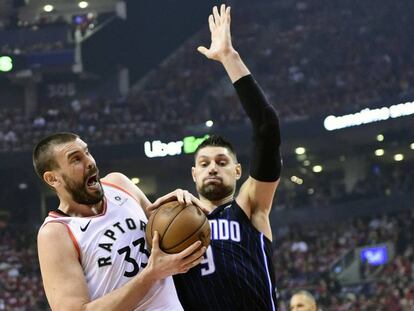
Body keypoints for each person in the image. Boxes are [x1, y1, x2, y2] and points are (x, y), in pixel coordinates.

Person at [171, 4, 282, 311]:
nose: (212, 169)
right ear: (193, 175)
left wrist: (228, 58)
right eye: (204, 164)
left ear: (237, 171)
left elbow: (267, 127)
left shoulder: (250, 208)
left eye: (221, 162)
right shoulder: (170, 222)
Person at [33, 132, 206, 311]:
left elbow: (166, 234)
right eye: (76, 159)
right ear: (52, 178)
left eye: (87, 153)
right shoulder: (55, 233)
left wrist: (178, 209)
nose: (90, 162)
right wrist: (150, 275)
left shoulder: (119, 184)